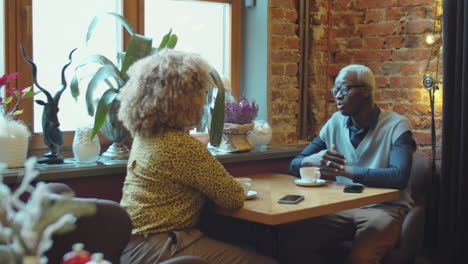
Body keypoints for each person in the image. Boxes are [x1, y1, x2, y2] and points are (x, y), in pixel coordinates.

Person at [117, 49, 278, 264]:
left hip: (131, 247)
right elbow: (232, 198)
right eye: (200, 92)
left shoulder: (144, 137)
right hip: (165, 248)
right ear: (183, 100)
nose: (203, 101)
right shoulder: (182, 146)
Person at [287, 64, 417, 264]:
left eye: (344, 89)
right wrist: (308, 161)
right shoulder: (335, 122)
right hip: (342, 206)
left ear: (366, 91)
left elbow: (398, 176)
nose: (337, 95)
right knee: (292, 241)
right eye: (335, 90)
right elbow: (294, 165)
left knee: (360, 258)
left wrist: (345, 171)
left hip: (385, 209)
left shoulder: (396, 125)